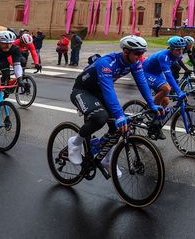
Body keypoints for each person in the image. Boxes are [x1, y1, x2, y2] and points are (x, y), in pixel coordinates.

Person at [66, 36, 164, 174]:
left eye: (142, 53)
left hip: (100, 91)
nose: (140, 56)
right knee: (101, 118)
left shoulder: (134, 63)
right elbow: (109, 90)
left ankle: (107, 159)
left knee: (118, 127)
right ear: (125, 51)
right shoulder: (106, 63)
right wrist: (119, 114)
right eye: (137, 53)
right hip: (82, 90)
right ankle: (75, 143)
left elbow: (142, 83)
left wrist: (152, 105)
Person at [142, 36, 191, 139]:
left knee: (166, 102)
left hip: (157, 74)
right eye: (178, 50)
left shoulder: (177, 55)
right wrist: (179, 92)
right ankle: (152, 111)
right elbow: (168, 76)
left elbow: (178, 64)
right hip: (146, 72)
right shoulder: (164, 56)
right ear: (172, 49)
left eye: (182, 49)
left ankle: (156, 125)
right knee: (166, 88)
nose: (180, 52)